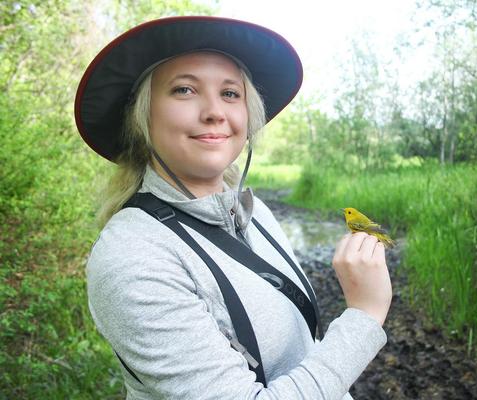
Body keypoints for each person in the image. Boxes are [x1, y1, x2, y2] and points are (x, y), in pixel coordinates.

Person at [75, 16, 392, 399]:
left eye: (230, 94)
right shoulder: (133, 257)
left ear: (248, 115)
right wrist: (364, 315)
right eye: (184, 90)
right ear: (143, 116)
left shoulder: (257, 214)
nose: (214, 111)